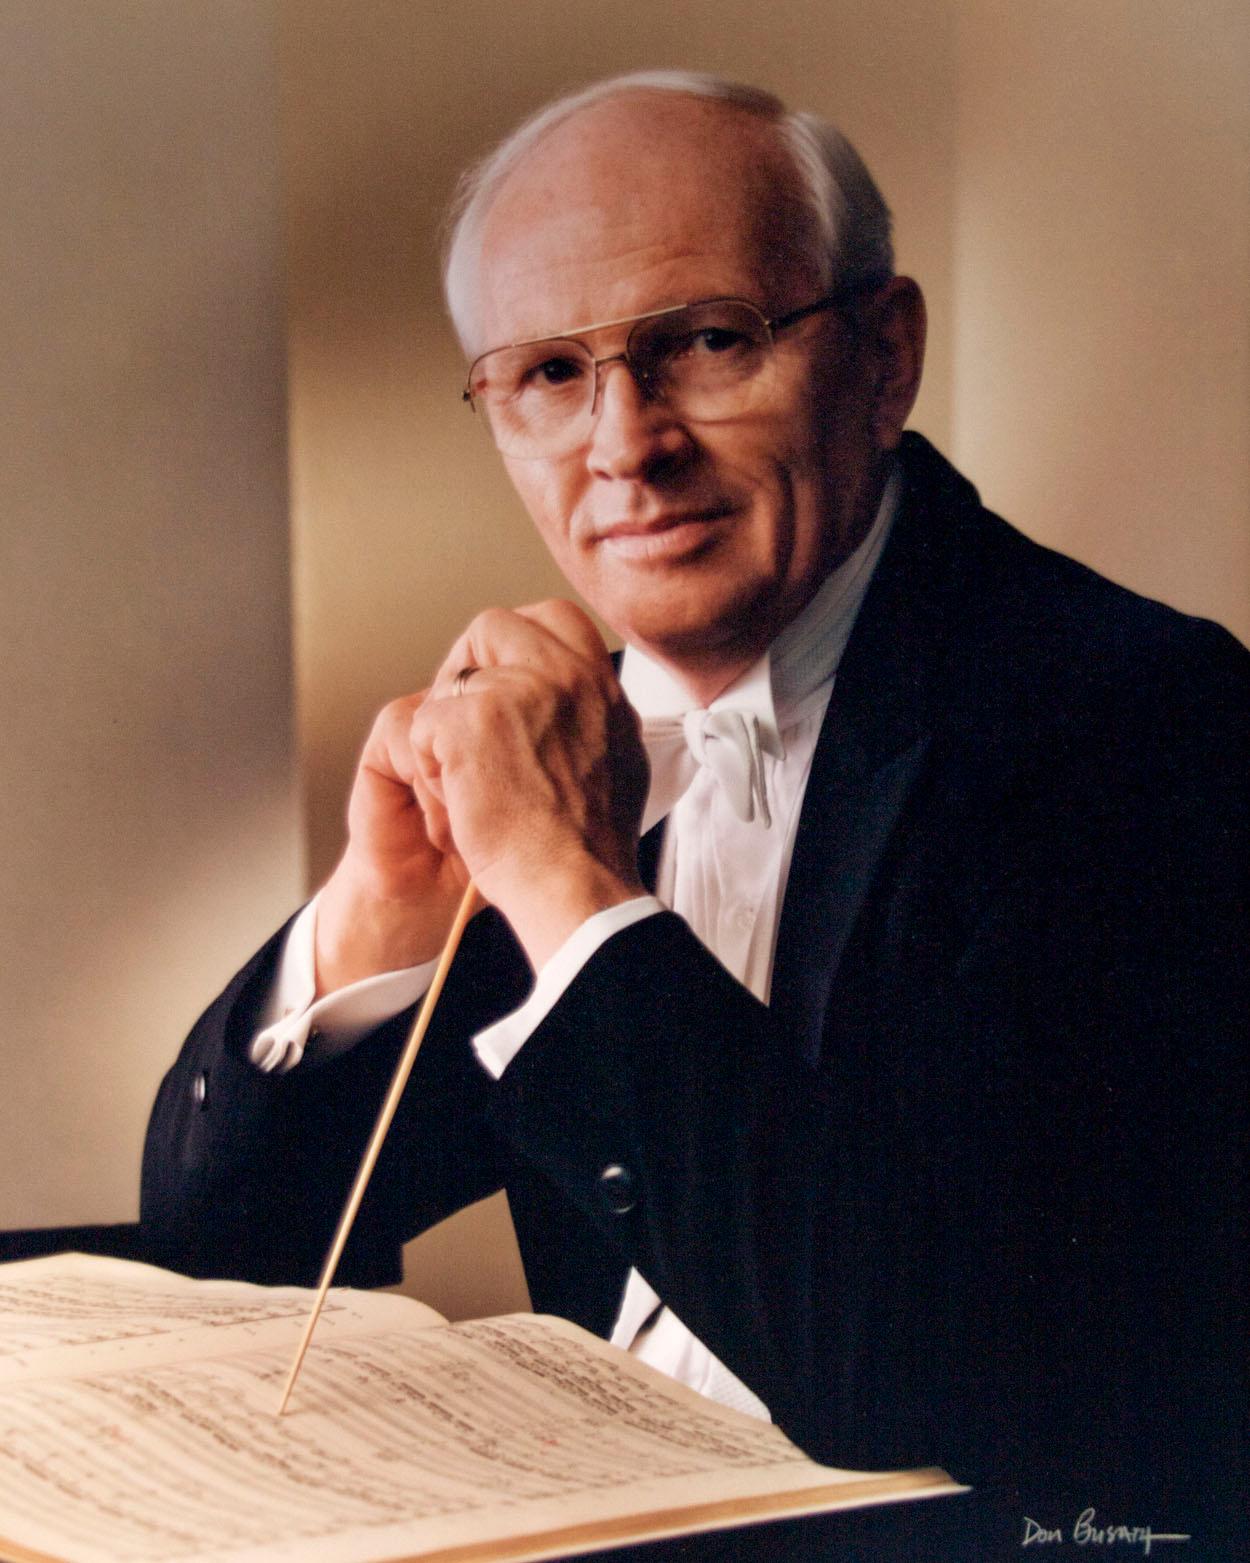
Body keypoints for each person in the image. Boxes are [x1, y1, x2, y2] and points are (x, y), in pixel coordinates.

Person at [140, 72, 1247, 1555]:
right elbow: (225, 1246)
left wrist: (569, 888)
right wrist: (377, 913)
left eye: (709, 341)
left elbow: (912, 1374)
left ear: (885, 356)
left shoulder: (1137, 720)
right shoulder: (568, 742)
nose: (624, 446)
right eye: (549, 373)